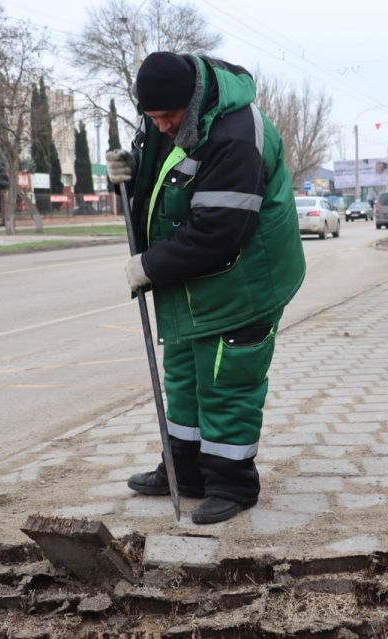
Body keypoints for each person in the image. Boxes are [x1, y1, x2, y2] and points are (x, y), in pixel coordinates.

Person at [105, 52, 305, 524]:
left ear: (190, 102)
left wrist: (149, 266)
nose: (162, 126)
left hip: (244, 280)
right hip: (195, 281)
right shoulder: (172, 121)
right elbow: (171, 185)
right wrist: (135, 172)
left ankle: (232, 483)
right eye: (151, 119)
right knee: (185, 379)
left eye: (168, 117)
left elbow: (218, 230)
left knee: (225, 382)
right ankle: (186, 472)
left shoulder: (238, 135)